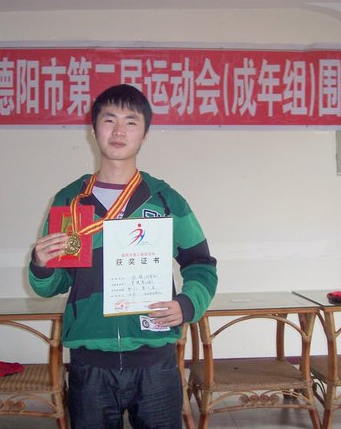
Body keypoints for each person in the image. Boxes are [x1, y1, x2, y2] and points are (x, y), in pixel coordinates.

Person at [29, 84, 217, 429]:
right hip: (90, 363)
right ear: (93, 129)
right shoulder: (71, 201)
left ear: (144, 133)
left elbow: (201, 265)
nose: (119, 131)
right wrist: (41, 265)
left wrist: (187, 304)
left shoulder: (164, 200)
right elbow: (53, 285)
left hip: (155, 360)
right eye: (109, 119)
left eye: (131, 121)